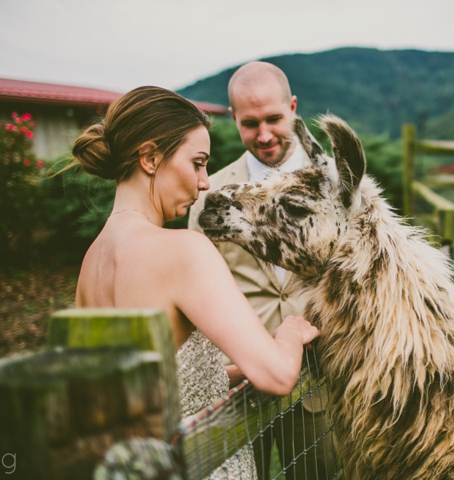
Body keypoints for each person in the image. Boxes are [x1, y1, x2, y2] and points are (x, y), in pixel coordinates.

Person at [72, 86, 320, 480]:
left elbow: (150, 382)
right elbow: (277, 375)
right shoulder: (184, 252)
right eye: (198, 163)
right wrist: (289, 334)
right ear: (151, 158)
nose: (205, 183)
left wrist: (223, 374)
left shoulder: (92, 262)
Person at [188, 62, 337, 480]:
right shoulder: (207, 194)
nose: (265, 135)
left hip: (319, 379)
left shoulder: (331, 187)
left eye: (274, 119)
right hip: (240, 386)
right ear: (233, 118)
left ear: (292, 107)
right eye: (250, 123)